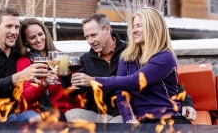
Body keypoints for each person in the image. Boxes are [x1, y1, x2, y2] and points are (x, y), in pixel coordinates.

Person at [65, 12, 196, 123]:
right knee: (71, 116)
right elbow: (78, 89)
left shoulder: (136, 52)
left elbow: (168, 84)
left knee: (117, 125)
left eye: (93, 35)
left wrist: (187, 102)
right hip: (103, 113)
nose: (90, 41)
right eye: (86, 37)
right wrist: (64, 74)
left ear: (107, 29)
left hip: (126, 115)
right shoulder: (123, 56)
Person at [16, 18, 81, 122]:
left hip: (64, 111)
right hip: (38, 114)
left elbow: (71, 92)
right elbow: (24, 96)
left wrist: (80, 111)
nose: (38, 39)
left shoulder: (60, 56)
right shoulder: (24, 61)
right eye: (32, 37)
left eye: (40, 34)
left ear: (45, 33)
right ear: (26, 41)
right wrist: (43, 85)